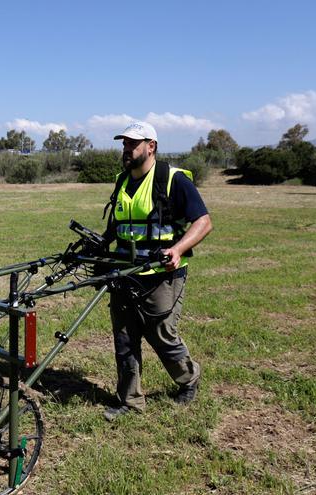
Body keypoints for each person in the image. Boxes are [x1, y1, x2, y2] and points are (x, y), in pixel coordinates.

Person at [101, 121, 213, 421]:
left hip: (162, 274)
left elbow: (203, 222)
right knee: (124, 336)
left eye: (132, 144)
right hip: (125, 272)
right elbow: (119, 225)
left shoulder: (172, 180)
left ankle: (188, 378)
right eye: (124, 144)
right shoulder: (122, 180)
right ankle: (130, 401)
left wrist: (177, 250)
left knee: (161, 333)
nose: (126, 149)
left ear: (151, 146)